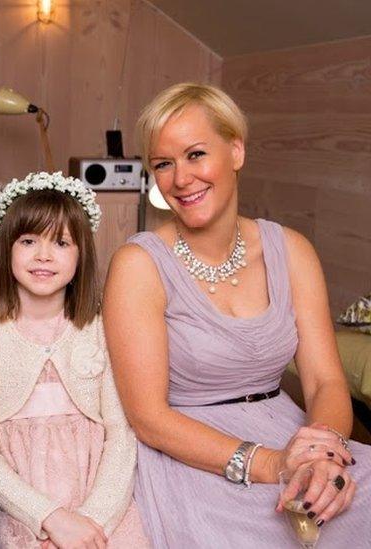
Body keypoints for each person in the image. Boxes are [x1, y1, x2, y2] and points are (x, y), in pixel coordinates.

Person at [103, 82, 371, 547]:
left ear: (236, 150)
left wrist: (323, 453)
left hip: (295, 435)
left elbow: (326, 382)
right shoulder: (138, 264)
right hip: (193, 454)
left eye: (195, 154)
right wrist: (270, 463)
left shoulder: (292, 250)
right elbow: (147, 416)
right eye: (163, 164)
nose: (180, 179)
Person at [0, 173, 150, 548]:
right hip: (18, 505)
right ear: (6, 248)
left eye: (61, 242)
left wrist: (90, 522)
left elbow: (121, 434)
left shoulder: (98, 327)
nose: (44, 256)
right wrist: (50, 518)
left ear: (81, 255)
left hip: (98, 499)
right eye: (29, 240)